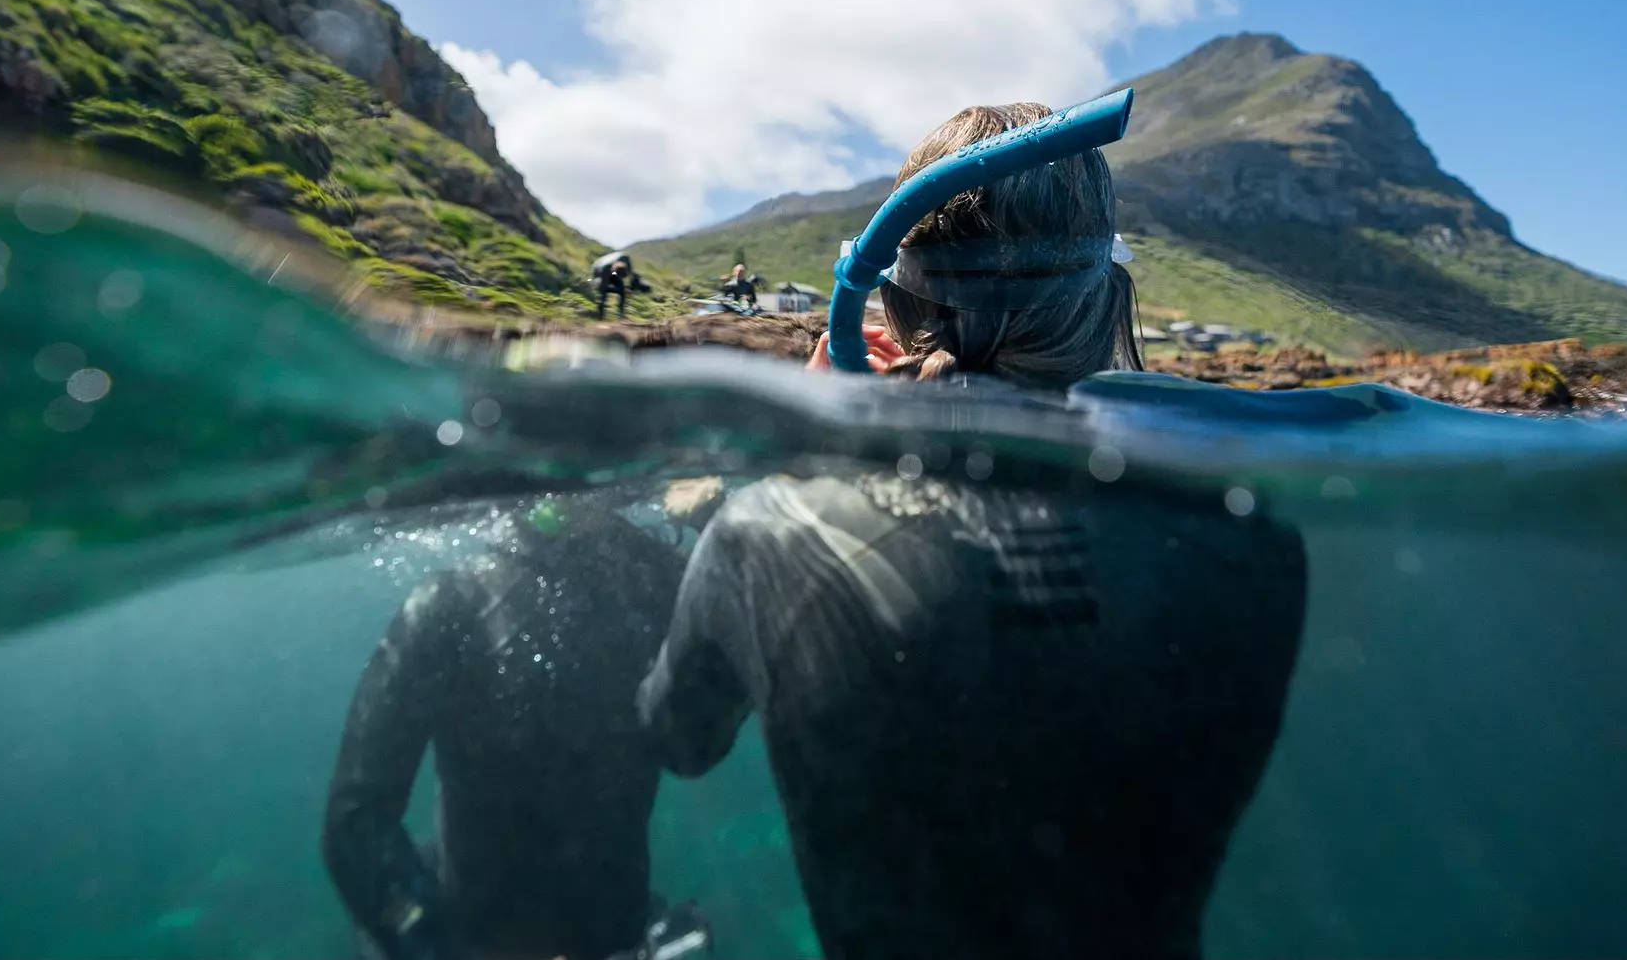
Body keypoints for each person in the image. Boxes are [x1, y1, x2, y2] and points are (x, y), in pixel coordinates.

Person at [636, 102, 1309, 960]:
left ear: (885, 305)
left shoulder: (770, 531)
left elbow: (679, 738)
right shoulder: (1251, 539)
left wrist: (805, 471)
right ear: (1109, 301)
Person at [323, 502, 693, 960]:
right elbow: (357, 822)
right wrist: (439, 948)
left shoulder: (649, 589)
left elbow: (694, 743)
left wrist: (710, 524)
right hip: (496, 936)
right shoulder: (451, 604)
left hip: (608, 935)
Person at [591, 252, 651, 320]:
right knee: (603, 292)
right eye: (620, 276)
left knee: (622, 290)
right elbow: (603, 287)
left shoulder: (626, 259)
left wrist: (630, 288)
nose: (622, 278)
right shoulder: (605, 270)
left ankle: (621, 316)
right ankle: (600, 316)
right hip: (598, 270)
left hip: (613, 269)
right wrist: (608, 290)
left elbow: (632, 277)